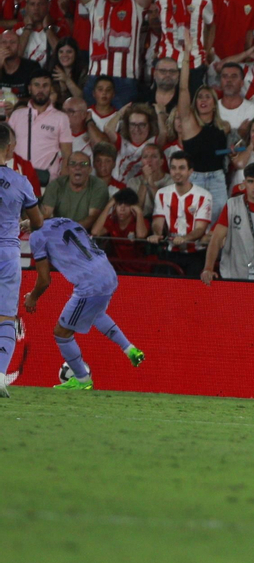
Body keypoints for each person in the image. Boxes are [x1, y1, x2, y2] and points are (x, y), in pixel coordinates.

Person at [21, 216, 146, 390]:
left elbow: (44, 279)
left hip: (89, 283)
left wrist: (32, 297)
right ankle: (130, 349)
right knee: (96, 314)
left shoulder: (37, 236)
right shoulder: (65, 220)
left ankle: (82, 379)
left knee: (61, 332)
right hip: (108, 272)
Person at [0, 123, 43, 392]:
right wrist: (26, 223)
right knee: (5, 317)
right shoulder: (20, 180)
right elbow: (38, 222)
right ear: (9, 147)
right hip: (7, 252)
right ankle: (0, 374)